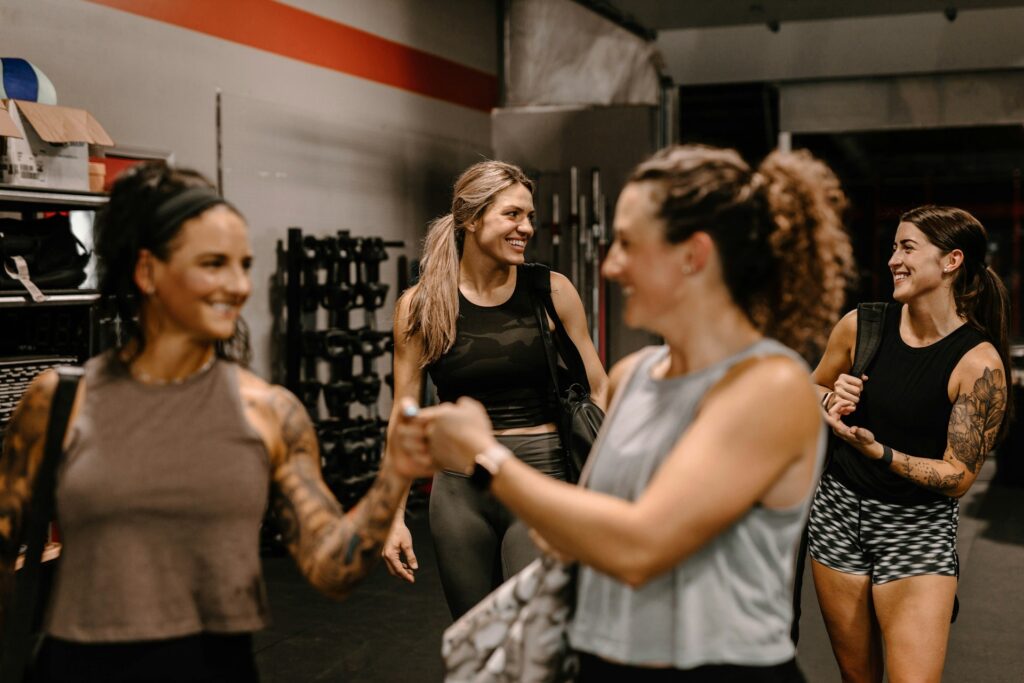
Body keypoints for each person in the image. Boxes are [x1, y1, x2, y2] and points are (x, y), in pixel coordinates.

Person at [396, 144, 855, 681]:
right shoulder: (637, 374)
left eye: (629, 244)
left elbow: (639, 545)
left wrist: (486, 456)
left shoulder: (768, 385)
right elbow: (571, 530)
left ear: (694, 256)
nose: (611, 265)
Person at [0, 162, 432, 682]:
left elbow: (332, 569)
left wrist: (395, 476)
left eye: (243, 265)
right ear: (147, 272)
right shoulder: (59, 402)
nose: (238, 285)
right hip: (79, 666)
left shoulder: (268, 412)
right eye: (213, 264)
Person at [380, 160, 608, 619]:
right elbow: (403, 420)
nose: (526, 227)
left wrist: (593, 483)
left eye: (528, 217)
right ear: (471, 218)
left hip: (540, 478)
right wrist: (393, 516)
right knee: (475, 639)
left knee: (532, 638)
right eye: (512, 215)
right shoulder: (421, 306)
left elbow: (600, 388)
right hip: (459, 492)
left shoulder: (551, 291)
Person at [807, 205, 1011, 683]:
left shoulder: (978, 365)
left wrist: (879, 451)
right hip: (837, 516)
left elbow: (957, 477)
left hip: (916, 530)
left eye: (907, 247)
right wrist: (830, 400)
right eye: (893, 247)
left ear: (951, 261)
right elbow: (811, 387)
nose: (893, 259)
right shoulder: (863, 326)